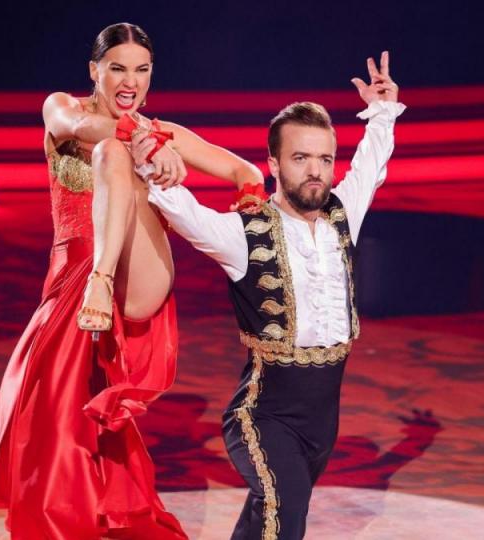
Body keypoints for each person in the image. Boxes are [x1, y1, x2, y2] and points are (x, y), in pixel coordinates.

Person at [0, 22, 262, 539]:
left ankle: (102, 281)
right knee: (42, 405)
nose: (130, 80)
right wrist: (150, 144)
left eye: (141, 69)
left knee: (115, 154)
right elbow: (86, 131)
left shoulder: (165, 132)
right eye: (117, 68)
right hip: (69, 279)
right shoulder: (62, 107)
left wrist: (246, 235)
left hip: (132, 279)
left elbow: (248, 172)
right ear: (95, 71)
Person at [142, 51, 404, 540]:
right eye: (301, 158)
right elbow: (187, 214)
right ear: (273, 163)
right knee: (286, 514)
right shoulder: (246, 232)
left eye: (324, 159)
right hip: (261, 418)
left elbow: (370, 164)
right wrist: (151, 157)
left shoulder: (343, 216)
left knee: (266, 520)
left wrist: (383, 112)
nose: (315, 171)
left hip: (323, 425)